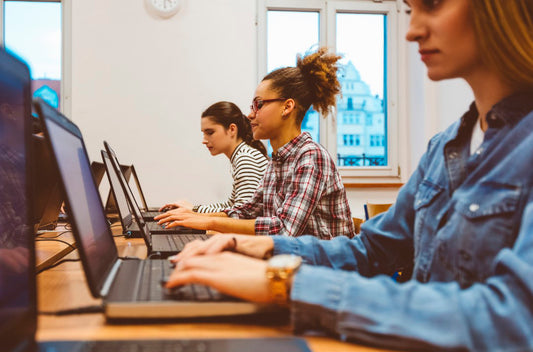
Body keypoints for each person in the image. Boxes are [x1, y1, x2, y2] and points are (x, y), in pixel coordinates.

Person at [163, 0, 533, 350]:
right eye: (408, 9)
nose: (410, 30)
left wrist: (283, 281)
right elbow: (371, 249)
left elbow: (512, 320)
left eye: (432, 4)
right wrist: (261, 246)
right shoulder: (445, 146)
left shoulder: (311, 156)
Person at [155, 48, 355, 239]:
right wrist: (195, 217)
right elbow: (246, 212)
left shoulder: (311, 157)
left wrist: (208, 223)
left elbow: (283, 230)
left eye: (258, 104)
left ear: (287, 107)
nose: (250, 114)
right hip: (294, 262)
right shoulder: (276, 162)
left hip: (326, 269)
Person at [159, 101, 269, 213]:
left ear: (232, 129)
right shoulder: (242, 155)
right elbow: (231, 205)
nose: (204, 140)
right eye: (204, 133)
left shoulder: (246, 158)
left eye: (210, 133)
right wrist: (192, 209)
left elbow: (241, 214)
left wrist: (194, 210)